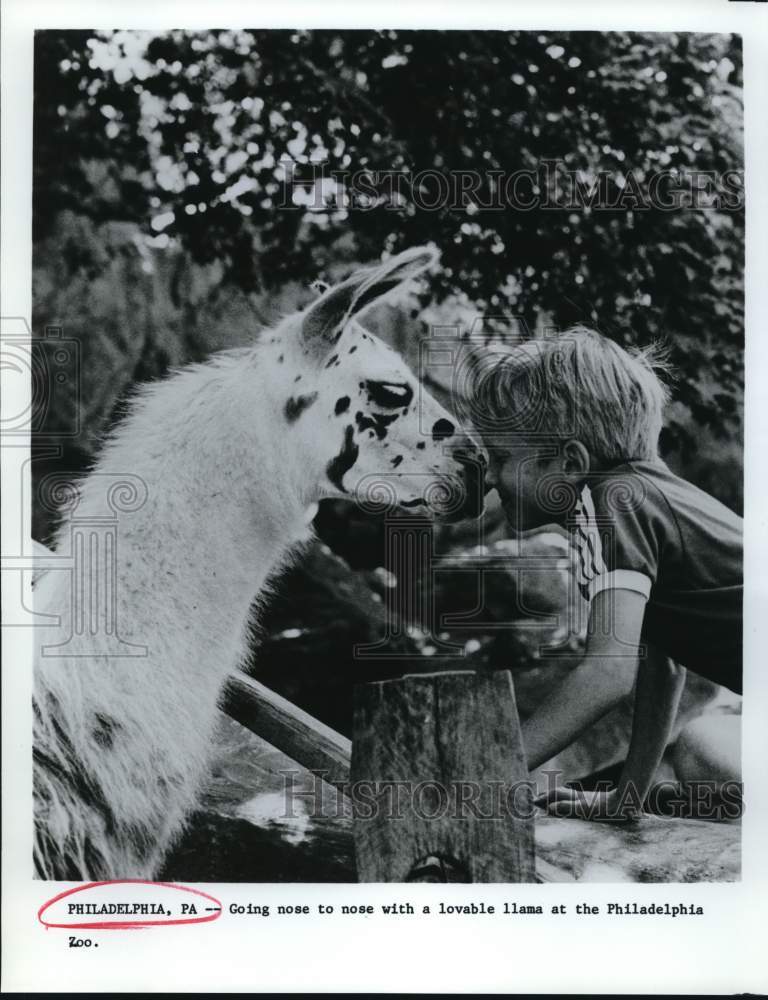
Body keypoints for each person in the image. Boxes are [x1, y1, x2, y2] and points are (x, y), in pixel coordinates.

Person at [481, 326, 742, 820]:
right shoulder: (641, 499)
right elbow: (661, 666)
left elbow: (606, 673)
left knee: (709, 756)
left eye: (501, 458)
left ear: (571, 462)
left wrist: (487, 772)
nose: (491, 479)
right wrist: (627, 798)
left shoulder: (611, 505)